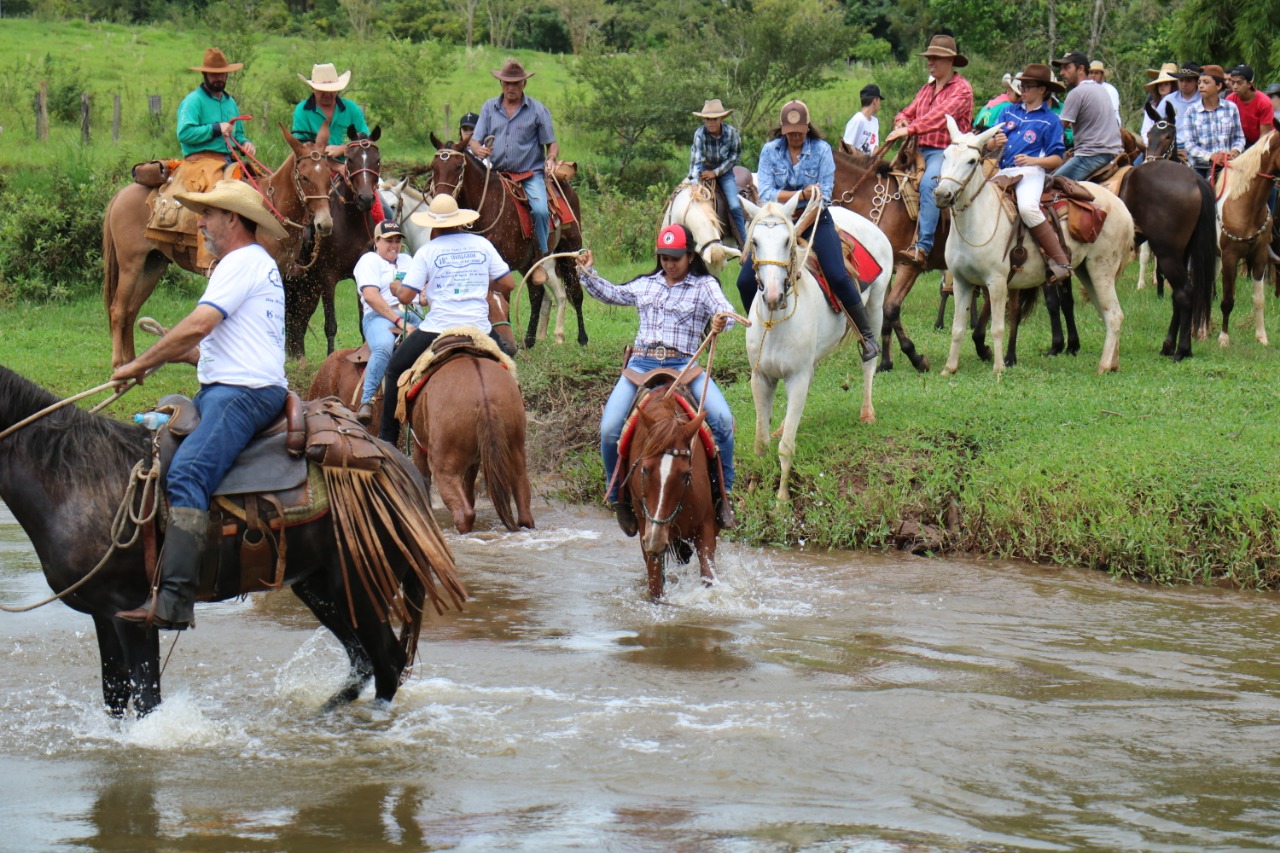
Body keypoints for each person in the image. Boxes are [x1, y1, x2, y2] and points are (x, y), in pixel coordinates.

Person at [113, 180, 290, 630]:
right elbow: (214, 344)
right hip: (232, 387)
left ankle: (174, 599)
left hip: (242, 394)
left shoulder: (242, 263)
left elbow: (198, 326)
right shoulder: (251, 264)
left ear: (233, 218)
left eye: (208, 214)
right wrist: (172, 356)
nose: (201, 222)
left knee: (188, 472)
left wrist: (139, 364)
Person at [576, 224, 739, 533]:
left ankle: (723, 496)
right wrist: (588, 272)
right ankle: (618, 498)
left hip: (685, 364)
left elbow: (725, 312)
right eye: (664, 257)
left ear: (690, 256)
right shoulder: (646, 283)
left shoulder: (704, 285)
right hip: (640, 365)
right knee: (610, 427)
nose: (669, 264)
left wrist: (721, 318)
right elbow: (613, 294)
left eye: (675, 257)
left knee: (722, 420)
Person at [736, 100, 880, 362]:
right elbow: (766, 192)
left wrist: (799, 224)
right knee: (745, 280)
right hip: (777, 222)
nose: (795, 136)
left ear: (807, 128)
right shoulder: (770, 151)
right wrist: (799, 194)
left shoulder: (822, 150)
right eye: (790, 131)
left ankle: (866, 335)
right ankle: (758, 331)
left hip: (814, 218)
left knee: (837, 274)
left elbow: (823, 195)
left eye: (799, 131)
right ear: (782, 130)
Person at [377, 195, 515, 445]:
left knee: (395, 368)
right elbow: (508, 282)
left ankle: (388, 438)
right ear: (460, 222)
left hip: (438, 329)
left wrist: (397, 287)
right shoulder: (481, 244)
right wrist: (480, 280)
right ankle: (518, 416)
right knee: (508, 364)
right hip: (479, 328)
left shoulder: (428, 251)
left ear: (434, 225)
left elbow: (407, 297)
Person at [883, 34, 974, 267]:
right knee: (884, 179)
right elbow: (907, 111)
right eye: (929, 58)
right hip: (919, 150)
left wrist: (910, 128)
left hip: (947, 153)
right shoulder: (927, 88)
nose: (930, 63)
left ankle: (923, 247)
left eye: (936, 58)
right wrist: (901, 122)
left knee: (928, 185)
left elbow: (940, 117)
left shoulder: (962, 90)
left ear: (950, 61)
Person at [469, 59, 559, 283]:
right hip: (497, 173)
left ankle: (540, 257)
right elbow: (474, 140)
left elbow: (552, 143)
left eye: (516, 83)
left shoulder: (537, 109)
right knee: (474, 208)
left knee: (539, 209)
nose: (511, 88)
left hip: (530, 173)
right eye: (507, 83)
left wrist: (551, 158)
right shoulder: (489, 107)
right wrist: (477, 149)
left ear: (523, 85)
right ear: (501, 83)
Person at [991, 64, 1071, 282]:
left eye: (1028, 86)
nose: (1022, 90)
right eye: (1021, 86)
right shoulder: (1007, 111)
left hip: (1031, 171)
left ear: (1043, 90)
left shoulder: (1051, 120)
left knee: (1027, 209)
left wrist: (1033, 160)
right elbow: (989, 142)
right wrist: (993, 141)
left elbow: (1057, 158)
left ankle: (1060, 261)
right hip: (1003, 170)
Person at [353, 219, 424, 426]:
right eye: (388, 240)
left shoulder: (408, 260)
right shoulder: (369, 261)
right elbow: (371, 296)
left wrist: (426, 297)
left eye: (397, 240)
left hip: (413, 313)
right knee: (383, 346)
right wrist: (398, 320)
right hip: (379, 316)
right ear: (376, 241)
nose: (394, 245)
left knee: (441, 341)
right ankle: (367, 401)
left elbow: (420, 291)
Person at [1050, 51, 1124, 181]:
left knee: (1048, 184)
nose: (1062, 73)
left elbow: (1058, 129)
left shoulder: (1077, 93)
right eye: (1061, 69)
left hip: (1091, 156)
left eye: (1067, 68)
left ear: (1081, 69)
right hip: (1114, 152)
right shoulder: (1101, 89)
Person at [177, 47, 255, 162]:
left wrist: (245, 143)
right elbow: (184, 134)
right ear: (205, 74)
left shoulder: (231, 103)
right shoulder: (193, 101)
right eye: (214, 75)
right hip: (201, 161)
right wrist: (215, 129)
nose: (218, 78)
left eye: (222, 74)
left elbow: (238, 135)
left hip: (230, 160)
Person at [688, 98, 748, 244]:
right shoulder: (700, 134)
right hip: (702, 169)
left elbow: (735, 156)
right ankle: (691, 242)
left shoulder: (731, 133)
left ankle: (744, 242)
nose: (711, 123)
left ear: (721, 118)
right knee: (689, 201)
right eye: (708, 119)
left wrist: (716, 172)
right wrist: (694, 182)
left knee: (734, 204)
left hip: (725, 171)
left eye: (714, 119)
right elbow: (696, 159)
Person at [1177, 64, 1245, 181]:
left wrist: (1235, 151)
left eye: (1206, 82)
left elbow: (1239, 137)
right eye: (1199, 83)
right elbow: (1190, 145)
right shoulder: (1191, 111)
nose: (1201, 86)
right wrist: (1211, 157)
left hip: (1228, 166)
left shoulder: (1231, 108)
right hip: (1201, 168)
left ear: (1218, 86)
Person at [291, 63, 370, 160]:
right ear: (313, 89)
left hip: (351, 167)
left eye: (331, 90)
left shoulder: (352, 109)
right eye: (322, 91)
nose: (327, 95)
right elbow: (300, 148)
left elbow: (367, 142)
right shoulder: (302, 110)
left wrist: (344, 148)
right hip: (314, 168)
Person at [1227, 64, 1274, 148]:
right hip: (1241, 142)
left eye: (1239, 83)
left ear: (1249, 84)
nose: (1235, 87)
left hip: (1265, 142)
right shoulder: (1230, 100)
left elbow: (1264, 135)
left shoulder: (1264, 102)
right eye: (1233, 82)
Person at [1140, 63, 1180, 145]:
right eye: (1160, 84)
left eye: (1166, 84)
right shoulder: (1152, 107)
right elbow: (1146, 130)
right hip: (1154, 145)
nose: (1162, 87)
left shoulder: (1180, 104)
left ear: (1172, 86)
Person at [842, 84, 883, 154]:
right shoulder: (858, 119)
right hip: (856, 163)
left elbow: (875, 146)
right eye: (879, 100)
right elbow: (846, 146)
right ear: (875, 100)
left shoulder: (875, 121)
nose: (880, 104)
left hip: (870, 163)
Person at [1087, 60, 1123, 126]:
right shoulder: (1085, 89)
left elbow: (1112, 111)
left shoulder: (1110, 89)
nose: (1093, 75)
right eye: (1091, 73)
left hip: (1110, 124)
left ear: (1102, 75)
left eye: (1096, 73)